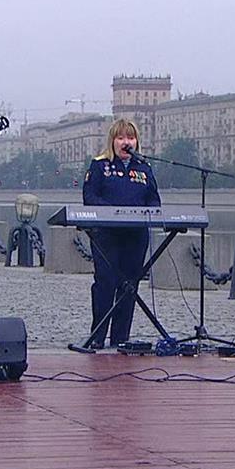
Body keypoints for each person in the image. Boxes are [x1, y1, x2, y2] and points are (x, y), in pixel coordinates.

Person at [81, 118, 161, 348]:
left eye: (131, 138)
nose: (126, 142)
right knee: (105, 283)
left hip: (135, 236)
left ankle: (120, 338)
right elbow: (90, 197)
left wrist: (147, 212)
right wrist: (112, 212)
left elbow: (154, 199)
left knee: (129, 286)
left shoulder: (144, 168)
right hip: (106, 235)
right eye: (121, 137)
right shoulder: (100, 166)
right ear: (113, 141)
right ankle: (97, 337)